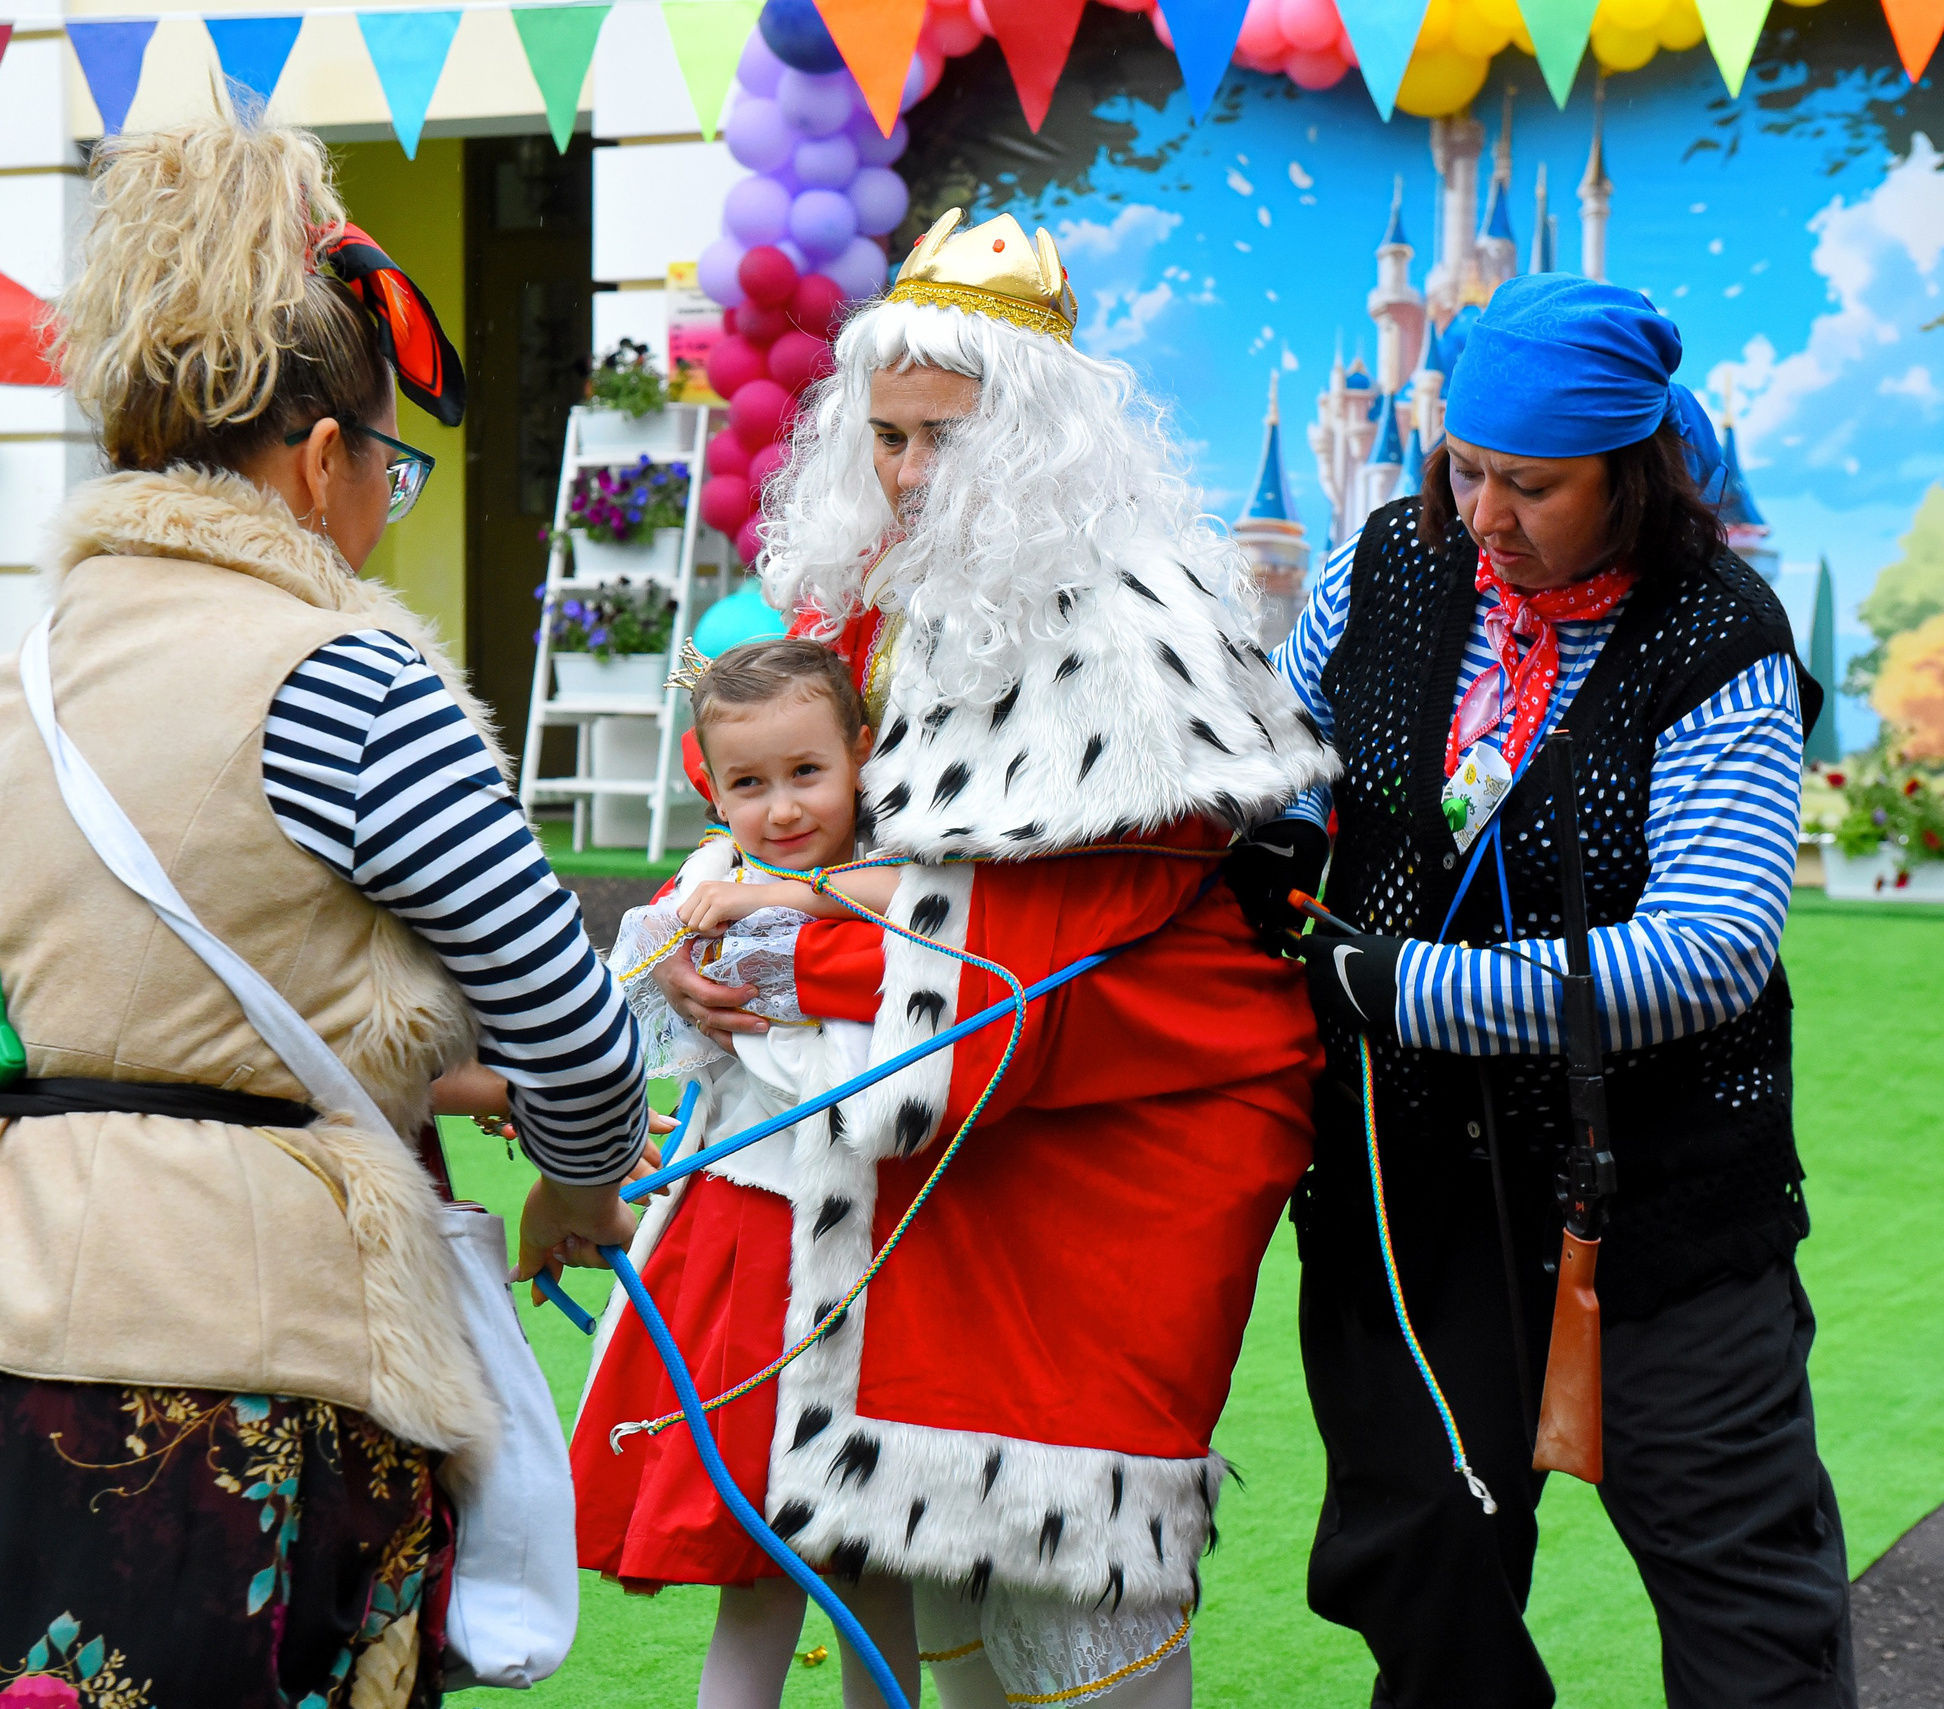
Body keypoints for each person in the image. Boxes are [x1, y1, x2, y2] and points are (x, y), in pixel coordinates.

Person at [0, 116, 651, 1709]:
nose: (383, 509)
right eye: (390, 470)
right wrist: (582, 1184)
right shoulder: (342, 670)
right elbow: (569, 1021)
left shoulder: (19, 674)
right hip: (232, 1329)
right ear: (321, 456)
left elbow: (134, 987)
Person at [652, 210, 1339, 1708]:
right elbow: (804, 845)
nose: (905, 472)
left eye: (940, 439)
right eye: (887, 436)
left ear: (1032, 437)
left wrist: (780, 949)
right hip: (944, 1106)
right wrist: (707, 957)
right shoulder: (862, 592)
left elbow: (1068, 916)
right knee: (912, 1543)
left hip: (1124, 1119)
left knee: (1079, 1560)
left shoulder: (1141, 616)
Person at [1261, 274, 1852, 1709]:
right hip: (1412, 1193)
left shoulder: (1721, 638)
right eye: (1465, 468)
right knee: (1421, 1569)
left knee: (1750, 1605)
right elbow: (1275, 753)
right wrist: (1266, 823)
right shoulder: (1383, 568)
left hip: (1657, 1194)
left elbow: (1704, 954)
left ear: (1636, 477)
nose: (1483, 515)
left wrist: (1401, 984)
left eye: (1532, 485)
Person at [578, 637, 939, 1709]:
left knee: (876, 1551)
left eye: (805, 773)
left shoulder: (904, 877)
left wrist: (774, 924)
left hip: (868, 1243)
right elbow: (641, 989)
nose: (780, 807)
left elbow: (907, 907)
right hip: (747, 1239)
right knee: (766, 1546)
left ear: (860, 754)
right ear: (710, 784)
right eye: (747, 783)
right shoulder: (705, 877)